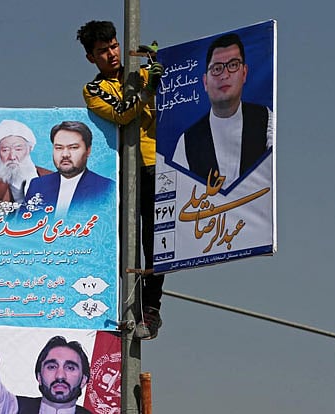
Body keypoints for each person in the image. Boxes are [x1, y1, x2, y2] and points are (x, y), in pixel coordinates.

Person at [76, 20, 164, 340]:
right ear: (91, 57)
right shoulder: (93, 90)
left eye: (114, 46)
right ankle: (129, 309)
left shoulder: (140, 73)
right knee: (127, 245)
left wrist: (155, 65)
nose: (112, 54)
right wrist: (147, 89)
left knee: (157, 242)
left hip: (156, 164)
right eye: (103, 51)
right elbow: (123, 113)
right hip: (122, 172)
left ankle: (151, 310)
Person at [172, 33, 274, 189]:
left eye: (233, 65)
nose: (225, 75)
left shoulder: (265, 119)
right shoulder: (187, 141)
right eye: (217, 69)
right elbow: (177, 192)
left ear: (244, 73)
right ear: (205, 82)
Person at [0, 336, 92, 414]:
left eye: (70, 368)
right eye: (52, 367)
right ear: (39, 377)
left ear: (83, 380)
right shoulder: (14, 408)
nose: (60, 376)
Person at [22, 121, 115, 217]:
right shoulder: (38, 185)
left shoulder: (107, 189)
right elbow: (23, 223)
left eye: (73, 147)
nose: (65, 154)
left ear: (88, 150)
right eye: (59, 148)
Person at [0, 119, 52, 205]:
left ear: (29, 149)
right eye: (5, 150)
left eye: (18, 149)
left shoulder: (51, 179)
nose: (12, 157)